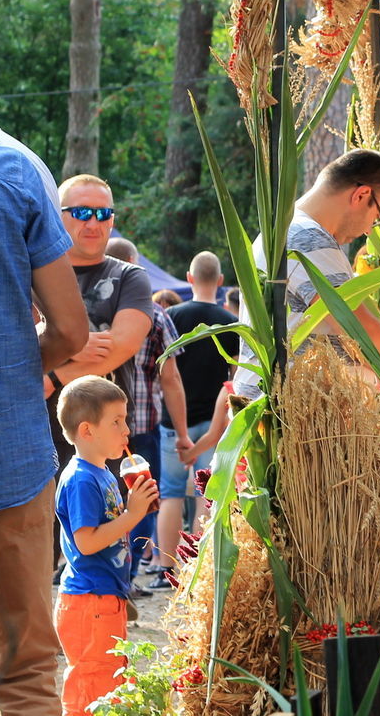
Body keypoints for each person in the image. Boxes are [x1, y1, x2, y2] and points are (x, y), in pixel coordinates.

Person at [0, 140, 87, 716]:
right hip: (9, 456)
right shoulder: (13, 168)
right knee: (24, 672)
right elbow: (71, 332)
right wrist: (12, 373)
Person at [232, 149, 380, 400]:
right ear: (361, 195)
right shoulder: (307, 238)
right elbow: (357, 328)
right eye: (378, 217)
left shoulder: (282, 229)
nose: (369, 230)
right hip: (292, 413)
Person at [49, 175, 154, 577]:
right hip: (32, 428)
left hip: (99, 439)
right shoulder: (33, 273)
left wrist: (53, 371)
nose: (92, 223)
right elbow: (17, 341)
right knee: (31, 547)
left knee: (101, 551)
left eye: (102, 213)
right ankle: (39, 640)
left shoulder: (130, 277)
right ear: (58, 217)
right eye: (80, 212)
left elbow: (122, 344)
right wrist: (80, 346)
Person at [53, 376, 158, 716]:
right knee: (91, 688)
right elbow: (86, 543)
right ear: (87, 431)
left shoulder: (103, 472)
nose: (126, 430)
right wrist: (133, 514)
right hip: (88, 601)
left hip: (104, 597)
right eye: (116, 421)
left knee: (110, 684)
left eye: (124, 420)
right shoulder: (82, 479)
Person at [103, 237, 190, 588]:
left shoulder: (84, 305)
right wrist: (182, 433)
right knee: (142, 499)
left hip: (89, 432)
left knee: (93, 496)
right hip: (139, 426)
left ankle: (96, 570)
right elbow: (170, 379)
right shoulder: (154, 314)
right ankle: (128, 572)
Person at [157, 251, 238, 585]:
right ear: (219, 282)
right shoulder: (230, 322)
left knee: (171, 494)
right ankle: (196, 567)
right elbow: (235, 375)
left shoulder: (171, 316)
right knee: (207, 494)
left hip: (172, 422)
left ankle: (165, 570)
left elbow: (162, 371)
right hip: (214, 418)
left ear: (189, 279)